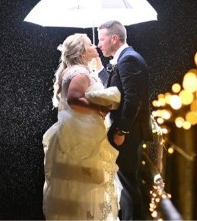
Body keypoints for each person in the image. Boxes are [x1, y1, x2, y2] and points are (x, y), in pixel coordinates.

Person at [43, 33, 122, 220]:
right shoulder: (80, 73)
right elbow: (73, 99)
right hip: (82, 138)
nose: (95, 45)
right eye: (90, 44)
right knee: (87, 187)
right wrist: (99, 109)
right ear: (82, 51)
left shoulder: (79, 70)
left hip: (79, 132)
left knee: (80, 188)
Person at [97, 20, 152, 220]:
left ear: (115, 38)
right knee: (124, 184)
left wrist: (122, 131)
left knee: (128, 185)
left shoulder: (129, 60)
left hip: (128, 133)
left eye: (102, 39)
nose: (99, 44)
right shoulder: (123, 59)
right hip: (124, 130)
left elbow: (133, 100)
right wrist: (98, 66)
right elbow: (113, 89)